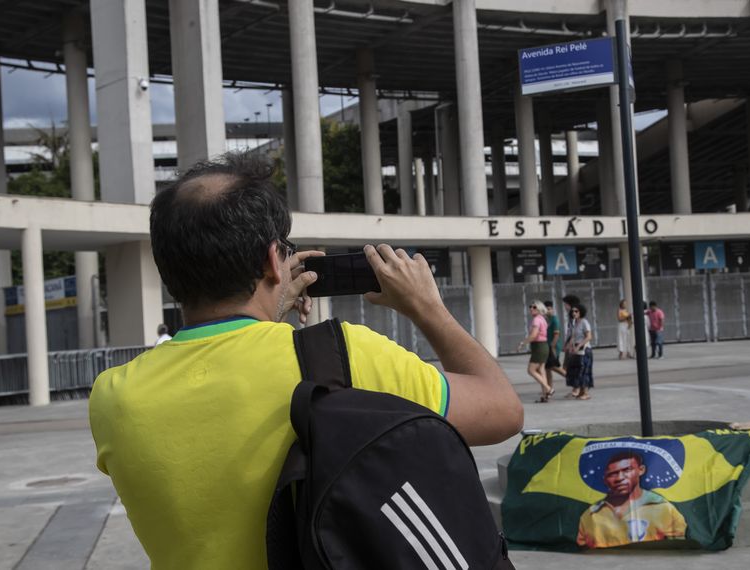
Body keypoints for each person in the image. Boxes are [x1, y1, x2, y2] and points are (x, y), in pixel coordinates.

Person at [87, 152, 523, 569]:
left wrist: (269, 308)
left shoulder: (113, 396)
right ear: (272, 261)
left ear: (167, 269)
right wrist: (427, 307)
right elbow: (501, 411)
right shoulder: (343, 355)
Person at [577, 451, 687, 548]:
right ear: (605, 479)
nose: (620, 478)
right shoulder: (590, 515)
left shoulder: (664, 509)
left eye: (627, 470)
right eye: (613, 474)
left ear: (641, 470)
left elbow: (678, 549)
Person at [517, 300, 553, 402]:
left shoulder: (536, 320)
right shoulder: (542, 319)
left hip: (539, 347)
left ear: (539, 309)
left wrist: (522, 343)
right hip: (543, 346)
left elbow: (533, 335)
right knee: (541, 370)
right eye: (530, 307)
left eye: (534, 307)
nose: (531, 309)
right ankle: (545, 395)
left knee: (531, 370)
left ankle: (549, 389)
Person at [565, 304, 594, 400]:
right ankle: (580, 392)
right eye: (572, 311)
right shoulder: (574, 322)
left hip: (585, 350)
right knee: (577, 371)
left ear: (581, 312)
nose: (574, 313)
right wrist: (569, 346)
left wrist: (579, 346)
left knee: (584, 370)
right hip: (576, 350)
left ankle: (585, 393)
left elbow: (589, 337)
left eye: (576, 311)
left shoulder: (584, 322)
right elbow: (573, 336)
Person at [560, 294, 580, 398]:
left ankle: (576, 388)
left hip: (574, 344)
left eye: (565, 304)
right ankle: (576, 388)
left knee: (570, 367)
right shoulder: (571, 314)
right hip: (570, 343)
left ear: (569, 304)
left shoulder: (573, 314)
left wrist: (569, 344)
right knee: (567, 367)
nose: (564, 306)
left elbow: (573, 332)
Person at [543, 301, 565, 386]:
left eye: (549, 309)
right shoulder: (547, 320)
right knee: (547, 368)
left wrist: (552, 347)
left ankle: (572, 380)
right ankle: (549, 388)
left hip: (554, 347)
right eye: (545, 309)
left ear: (552, 309)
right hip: (547, 346)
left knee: (553, 366)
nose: (547, 311)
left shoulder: (555, 320)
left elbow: (556, 335)